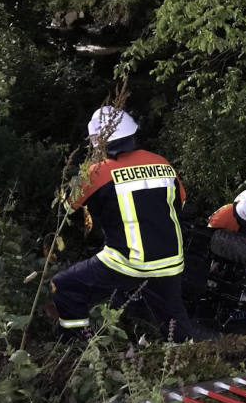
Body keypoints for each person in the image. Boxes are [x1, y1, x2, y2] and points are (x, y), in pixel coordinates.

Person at [51, 106, 195, 341]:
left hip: (128, 261)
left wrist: (82, 170)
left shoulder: (98, 171)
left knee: (65, 286)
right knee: (174, 323)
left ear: (98, 141)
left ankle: (77, 343)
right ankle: (190, 361)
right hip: (170, 260)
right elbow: (180, 202)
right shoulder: (162, 163)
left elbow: (65, 208)